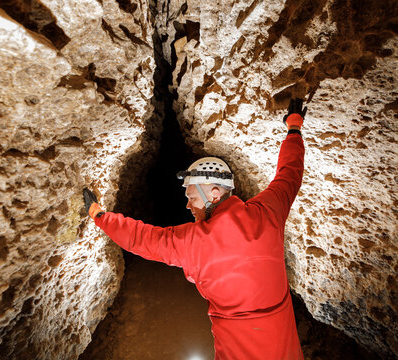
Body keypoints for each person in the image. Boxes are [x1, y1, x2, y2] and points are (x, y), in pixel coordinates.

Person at [83, 98, 307, 359]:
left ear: (213, 193)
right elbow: (289, 175)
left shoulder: (194, 241)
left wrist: (99, 215)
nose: (188, 205)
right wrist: (294, 127)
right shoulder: (268, 212)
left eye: (192, 197)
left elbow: (141, 238)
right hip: (285, 346)